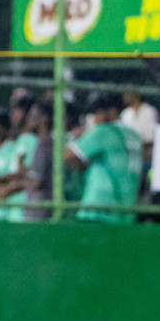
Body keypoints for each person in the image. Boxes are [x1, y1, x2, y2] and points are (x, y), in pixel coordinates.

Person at [65, 93, 142, 223]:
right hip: (127, 207)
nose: (95, 118)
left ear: (112, 111)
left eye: (97, 113)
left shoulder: (104, 131)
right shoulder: (134, 135)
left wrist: (76, 138)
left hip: (99, 207)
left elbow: (68, 154)